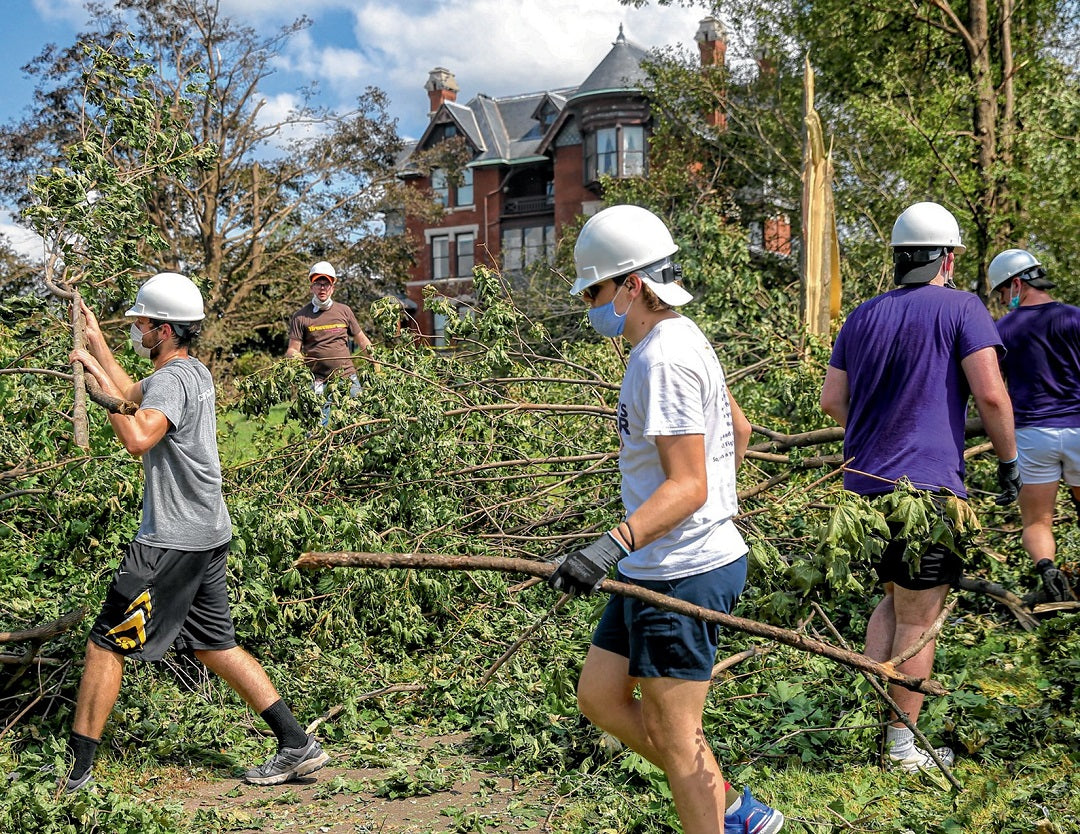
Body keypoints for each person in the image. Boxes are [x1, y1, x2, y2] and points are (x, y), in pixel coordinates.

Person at [547, 205, 782, 834]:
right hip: (655, 562)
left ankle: (720, 817)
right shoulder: (678, 337)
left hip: (682, 570)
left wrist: (608, 546)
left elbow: (690, 485)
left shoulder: (663, 360)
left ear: (632, 284)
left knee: (676, 738)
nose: (590, 304)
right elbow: (739, 429)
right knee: (600, 696)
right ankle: (731, 806)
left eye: (594, 289)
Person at [64, 272, 329, 791]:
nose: (136, 331)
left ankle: (76, 775)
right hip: (208, 530)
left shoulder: (168, 381)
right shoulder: (192, 372)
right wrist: (96, 345)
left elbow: (138, 433)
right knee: (214, 644)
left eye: (141, 324)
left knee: (104, 645)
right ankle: (298, 744)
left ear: (164, 330)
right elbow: (131, 391)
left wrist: (98, 391)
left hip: (172, 538)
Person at [820, 202, 1020, 773]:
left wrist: (877, 434)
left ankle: (876, 734)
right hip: (926, 492)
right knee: (919, 617)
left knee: (892, 600)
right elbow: (992, 396)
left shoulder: (860, 316)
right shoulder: (962, 307)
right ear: (949, 258)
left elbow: (833, 401)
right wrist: (1009, 462)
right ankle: (903, 752)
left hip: (863, 491)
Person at [989, 248, 1079, 602]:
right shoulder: (1074, 318)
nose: (1002, 300)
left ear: (1015, 284)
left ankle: (1048, 570)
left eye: (1001, 292)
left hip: (1032, 435)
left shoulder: (1001, 331)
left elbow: (991, 387)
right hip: (1078, 430)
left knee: (1037, 522)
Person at [286, 261, 371, 407]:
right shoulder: (300, 317)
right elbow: (292, 349)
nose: (322, 288)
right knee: (317, 425)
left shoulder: (344, 311)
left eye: (326, 284)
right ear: (311, 288)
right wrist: (296, 358)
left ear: (332, 288)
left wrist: (375, 361)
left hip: (347, 377)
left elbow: (362, 340)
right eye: (318, 283)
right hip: (317, 380)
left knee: (360, 419)